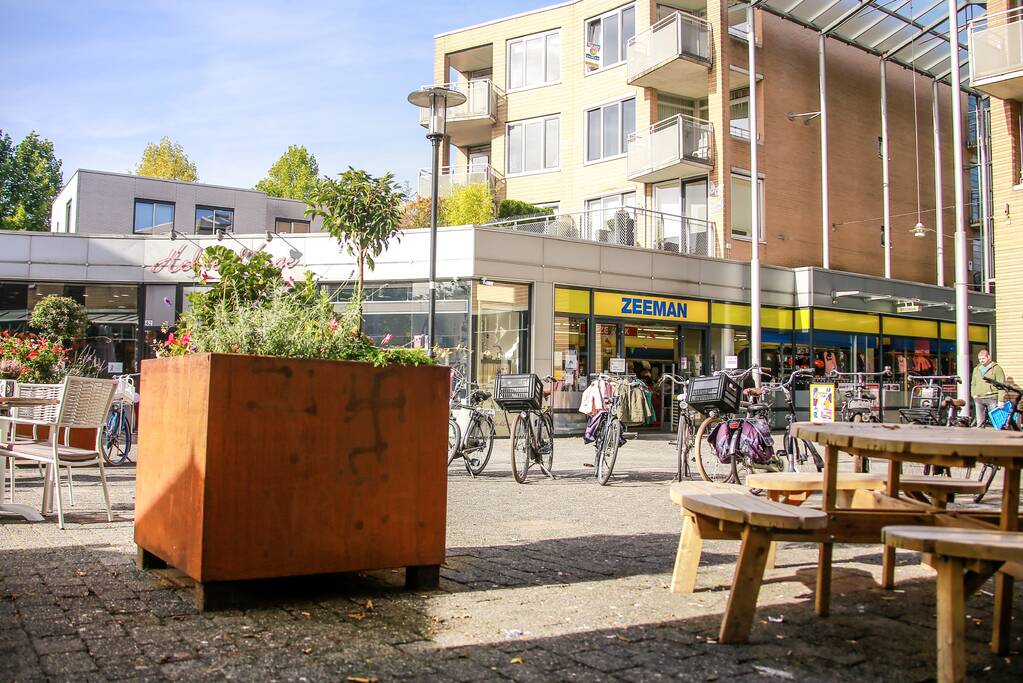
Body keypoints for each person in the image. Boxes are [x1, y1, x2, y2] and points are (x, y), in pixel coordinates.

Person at [971, 349, 1006, 427]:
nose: (981, 360)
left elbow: (1001, 385)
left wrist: (1001, 400)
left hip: (992, 397)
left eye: (983, 358)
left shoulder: (997, 368)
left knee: (996, 421)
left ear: (988, 357)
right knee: (980, 423)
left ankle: (999, 436)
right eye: (980, 359)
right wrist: (974, 394)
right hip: (979, 398)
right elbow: (973, 383)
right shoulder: (976, 369)